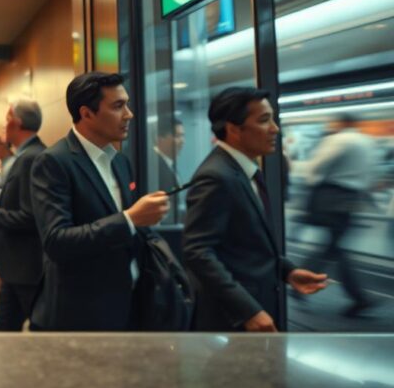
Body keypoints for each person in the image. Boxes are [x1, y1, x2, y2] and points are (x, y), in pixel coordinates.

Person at [30, 72, 170, 331]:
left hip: (132, 303)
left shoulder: (120, 161)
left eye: (126, 104)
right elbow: (57, 241)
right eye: (118, 106)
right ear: (86, 113)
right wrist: (130, 219)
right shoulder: (54, 162)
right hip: (82, 313)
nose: (129, 114)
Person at [183, 87, 328, 332]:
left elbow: (242, 243)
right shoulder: (217, 177)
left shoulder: (242, 172)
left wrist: (287, 271)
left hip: (253, 306)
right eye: (264, 120)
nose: (274, 128)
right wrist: (247, 309)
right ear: (233, 130)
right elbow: (198, 251)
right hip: (232, 320)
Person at [0, 99, 46, 331]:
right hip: (18, 267)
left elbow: (31, 217)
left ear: (16, 124)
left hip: (26, 266)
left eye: (7, 120)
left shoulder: (30, 158)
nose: (4, 125)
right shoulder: (26, 156)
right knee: (4, 332)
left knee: (38, 332)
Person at [303, 114, 377, 316]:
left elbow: (318, 166)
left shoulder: (338, 139)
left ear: (341, 123)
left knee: (334, 247)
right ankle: (358, 298)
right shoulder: (367, 142)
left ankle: (358, 298)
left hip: (330, 197)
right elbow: (370, 175)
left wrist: (311, 184)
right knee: (333, 246)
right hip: (351, 199)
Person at [155, 121, 185, 224]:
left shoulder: (170, 165)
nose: (182, 141)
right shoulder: (154, 166)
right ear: (160, 139)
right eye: (177, 136)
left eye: (182, 136)